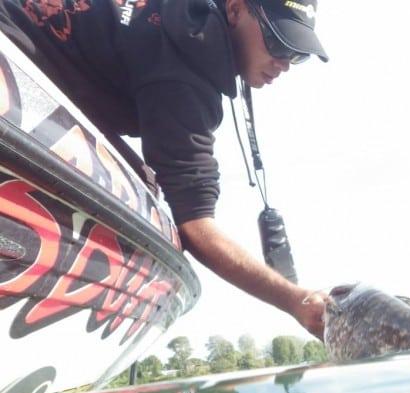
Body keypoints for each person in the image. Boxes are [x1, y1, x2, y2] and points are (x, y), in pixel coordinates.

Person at [0, 0, 329, 339]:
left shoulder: (172, 16)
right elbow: (197, 228)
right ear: (234, 10)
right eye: (277, 42)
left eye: (297, 54)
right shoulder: (185, 72)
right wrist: (294, 300)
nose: (284, 64)